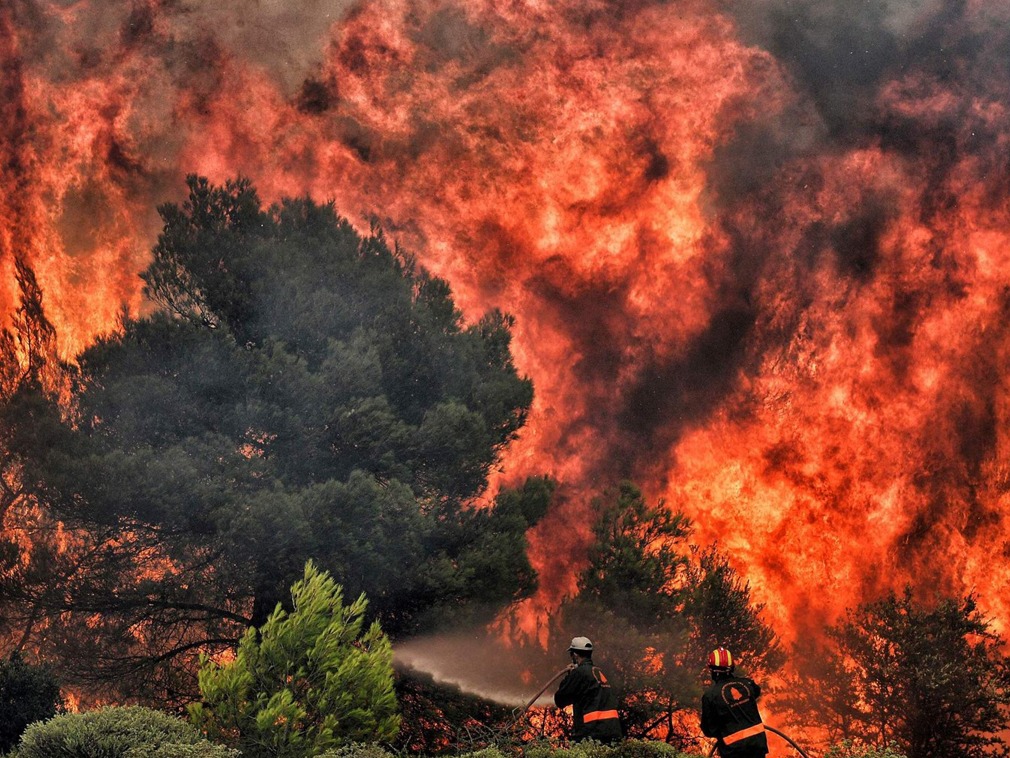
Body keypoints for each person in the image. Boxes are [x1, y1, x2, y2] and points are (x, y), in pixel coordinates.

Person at [700, 647, 768, 757]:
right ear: (732, 668)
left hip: (733, 751)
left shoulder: (710, 696)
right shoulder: (747, 684)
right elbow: (756, 692)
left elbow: (709, 730)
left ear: (713, 671)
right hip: (757, 745)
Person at [554, 636, 623, 744]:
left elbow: (560, 699)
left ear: (575, 655)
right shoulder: (599, 672)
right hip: (612, 732)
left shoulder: (579, 673)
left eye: (571, 654)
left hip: (591, 734)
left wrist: (569, 676)